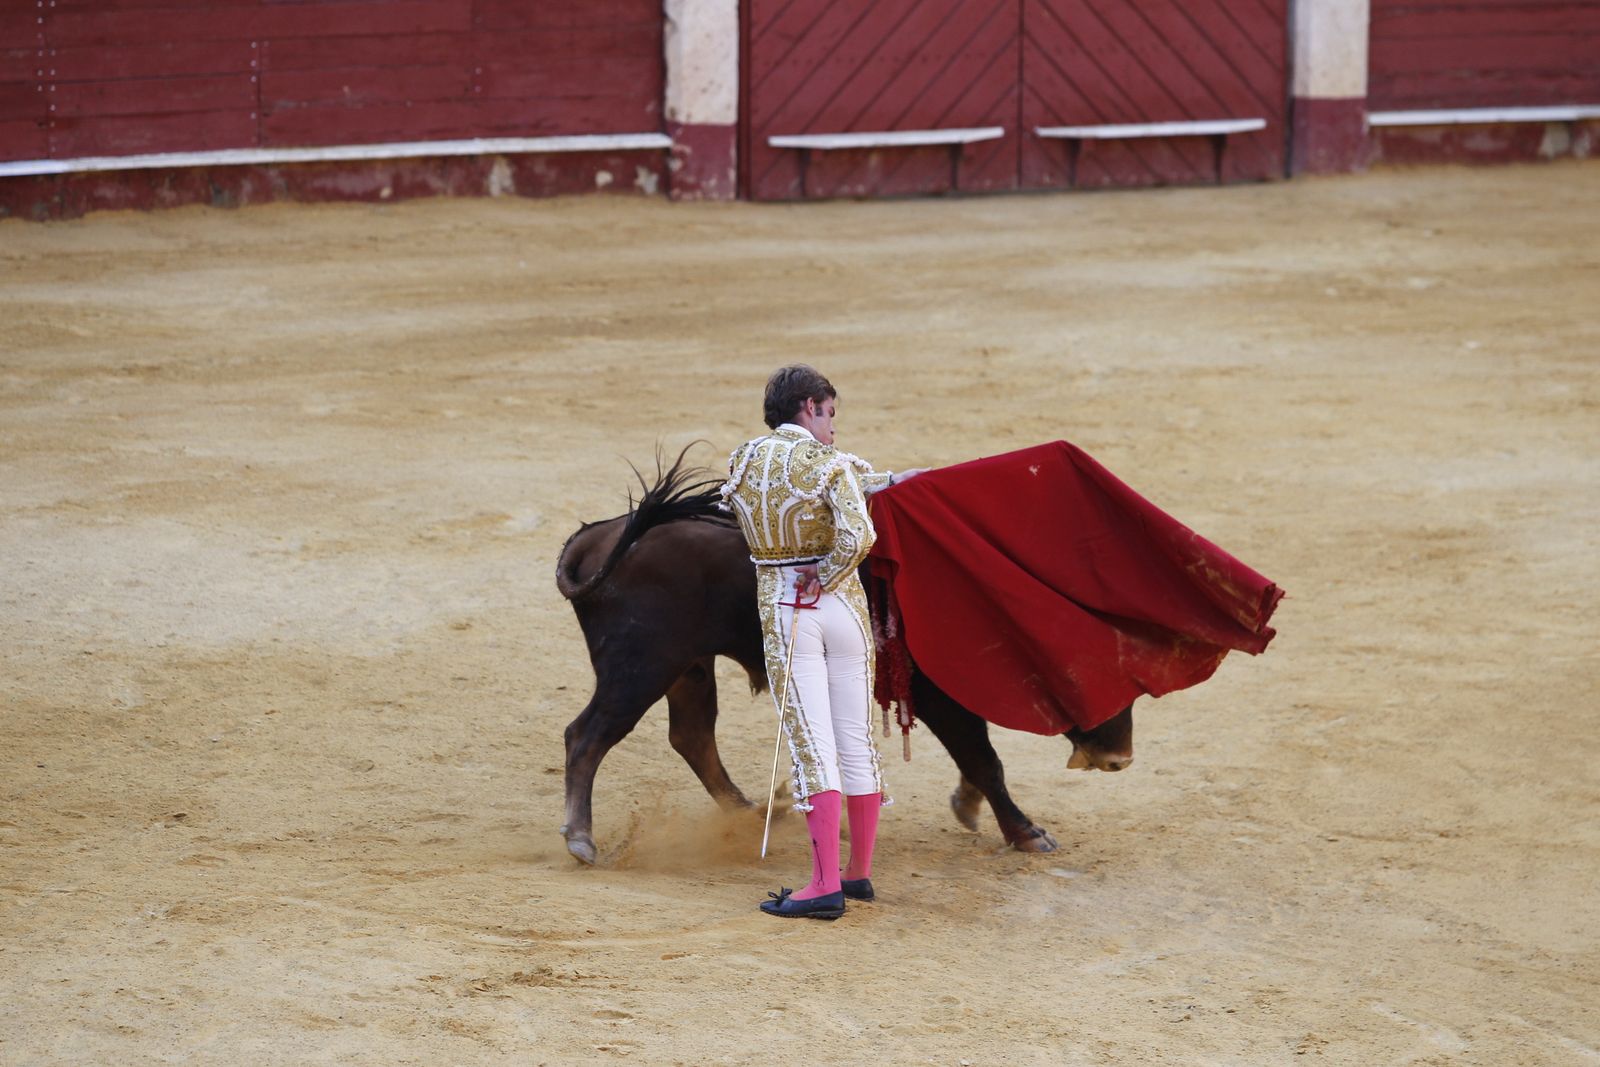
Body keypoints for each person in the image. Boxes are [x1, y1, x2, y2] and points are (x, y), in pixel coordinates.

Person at [719, 365, 922, 919]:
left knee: (814, 746)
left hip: (789, 611)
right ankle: (856, 876)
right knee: (854, 740)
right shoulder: (834, 465)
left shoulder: (743, 461)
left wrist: (807, 574)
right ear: (809, 407)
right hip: (845, 612)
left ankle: (823, 885)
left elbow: (728, 508)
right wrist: (830, 572)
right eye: (830, 413)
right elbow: (860, 529)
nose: (833, 426)